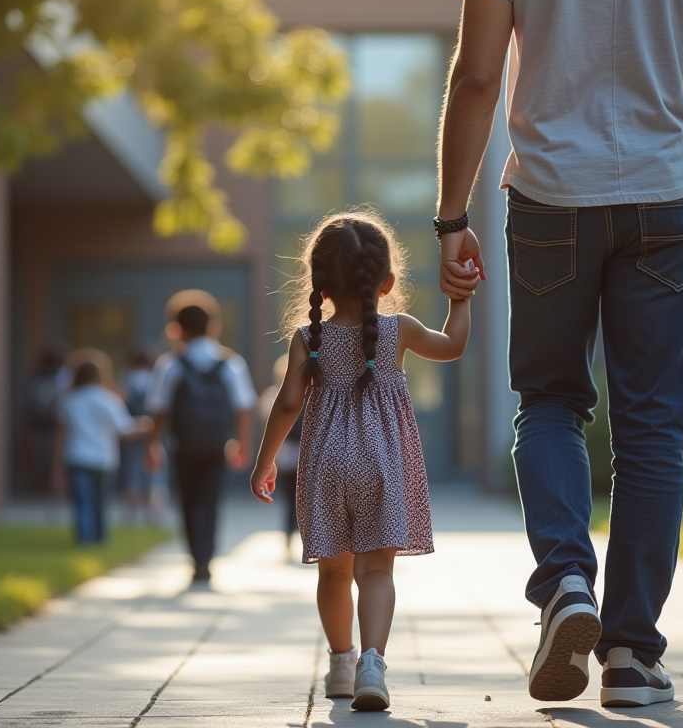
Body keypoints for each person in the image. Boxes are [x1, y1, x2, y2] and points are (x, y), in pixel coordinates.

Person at [438, 0, 683, 708]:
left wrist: (452, 216)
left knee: (549, 401)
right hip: (669, 193)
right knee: (652, 423)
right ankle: (629, 653)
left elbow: (478, 74)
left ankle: (565, 587)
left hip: (551, 196)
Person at [250, 210, 471, 712]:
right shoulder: (399, 331)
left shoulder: (309, 339)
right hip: (381, 464)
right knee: (376, 571)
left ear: (320, 285)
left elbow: (287, 404)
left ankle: (341, 663)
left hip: (327, 464)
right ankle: (374, 662)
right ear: (388, 281)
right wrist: (462, 296)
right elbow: (454, 345)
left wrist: (264, 462)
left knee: (333, 573)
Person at [146, 290, 256, 585]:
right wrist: (243, 444)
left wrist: (152, 444)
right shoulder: (230, 363)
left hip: (183, 444)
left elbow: (159, 410)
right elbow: (244, 408)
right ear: (213, 326)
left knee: (188, 501)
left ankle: (196, 557)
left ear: (176, 329)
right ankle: (206, 558)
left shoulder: (170, 365)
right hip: (216, 443)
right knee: (210, 500)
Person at [53, 351, 150, 544]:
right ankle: (98, 538)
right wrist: (143, 425)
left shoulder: (69, 400)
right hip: (102, 458)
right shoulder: (107, 398)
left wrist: (55, 463)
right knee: (100, 501)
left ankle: (84, 540)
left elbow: (61, 434)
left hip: (76, 457)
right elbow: (124, 429)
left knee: (82, 501)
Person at [257, 355, 301, 559]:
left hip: (282, 457)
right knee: (302, 500)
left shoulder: (270, 396)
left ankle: (288, 536)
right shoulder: (308, 394)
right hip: (303, 455)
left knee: (289, 500)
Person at [120, 349, 163, 525]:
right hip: (153, 431)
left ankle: (131, 516)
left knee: (132, 474)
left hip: (133, 430)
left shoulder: (127, 381)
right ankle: (154, 516)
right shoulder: (156, 380)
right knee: (155, 474)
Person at [22, 348, 66, 494]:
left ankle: (46, 490)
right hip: (55, 426)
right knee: (56, 460)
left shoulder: (36, 378)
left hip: (39, 427)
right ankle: (53, 491)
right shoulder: (63, 377)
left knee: (43, 460)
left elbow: (28, 405)